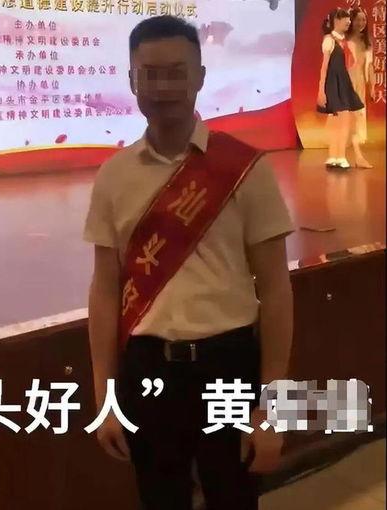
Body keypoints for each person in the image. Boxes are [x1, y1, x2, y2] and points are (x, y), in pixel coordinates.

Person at [84, 15, 294, 510]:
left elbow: (276, 289)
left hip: (229, 365)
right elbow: (105, 289)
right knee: (159, 500)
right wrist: (105, 396)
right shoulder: (113, 177)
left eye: (176, 72)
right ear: (132, 80)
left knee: (234, 499)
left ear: (200, 76)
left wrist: (272, 406)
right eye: (150, 74)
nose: (163, 87)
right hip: (148, 369)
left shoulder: (246, 169)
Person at [317, 8, 364, 170]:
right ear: (336, 21)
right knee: (340, 119)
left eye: (349, 19)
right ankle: (337, 156)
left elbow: (350, 64)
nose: (349, 22)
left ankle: (336, 156)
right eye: (346, 19)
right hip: (333, 83)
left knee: (341, 120)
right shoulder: (329, 40)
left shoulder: (344, 41)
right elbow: (324, 68)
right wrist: (321, 90)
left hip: (343, 82)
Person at [346, 7, 375, 169]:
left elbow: (369, 66)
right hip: (348, 82)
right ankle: (356, 156)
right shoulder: (345, 40)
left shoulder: (367, 42)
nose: (361, 23)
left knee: (358, 118)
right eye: (358, 19)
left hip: (360, 83)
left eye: (364, 20)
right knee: (349, 119)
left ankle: (355, 156)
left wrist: (372, 86)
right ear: (352, 21)